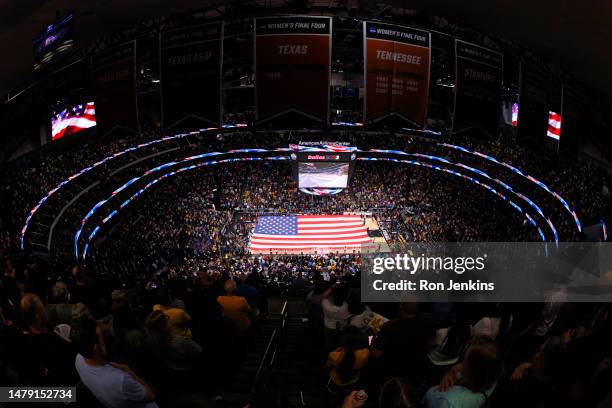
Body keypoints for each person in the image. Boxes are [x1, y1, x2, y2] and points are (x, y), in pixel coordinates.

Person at [71, 315, 158, 408]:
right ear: (96, 348)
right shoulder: (121, 380)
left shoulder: (78, 360)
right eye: (101, 336)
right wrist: (129, 371)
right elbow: (151, 396)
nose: (104, 338)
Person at [424, 336, 501, 408]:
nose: (461, 364)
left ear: (470, 372)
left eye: (465, 358)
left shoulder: (446, 401)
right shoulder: (491, 378)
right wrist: (451, 372)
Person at [20, 293, 77, 385]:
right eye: (43, 307)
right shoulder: (48, 346)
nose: (46, 309)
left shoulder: (40, 330)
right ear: (38, 317)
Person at [372, 302, 436, 381]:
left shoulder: (388, 327)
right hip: (418, 366)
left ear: (400, 305)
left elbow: (376, 354)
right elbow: (432, 343)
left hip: (393, 370)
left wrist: (374, 336)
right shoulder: (429, 318)